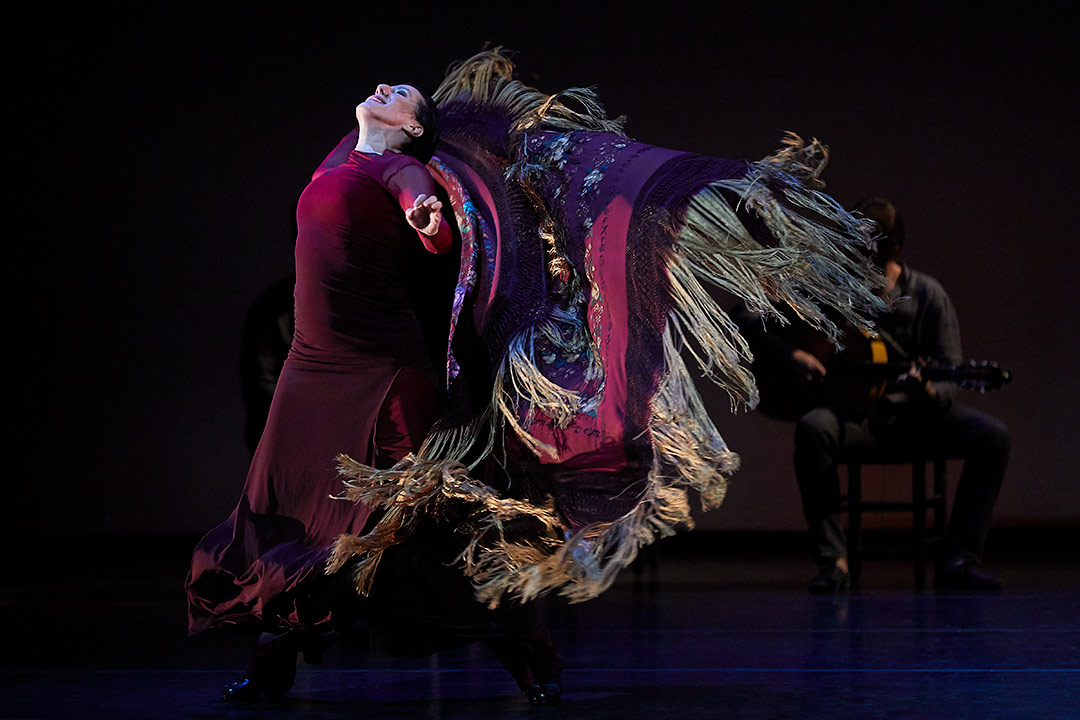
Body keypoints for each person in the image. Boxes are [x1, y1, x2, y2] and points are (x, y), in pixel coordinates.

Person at [186, 81, 562, 705]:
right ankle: (274, 660)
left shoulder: (403, 168)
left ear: (414, 127)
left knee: (432, 520)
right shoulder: (341, 158)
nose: (383, 86)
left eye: (402, 93)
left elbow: (429, 222)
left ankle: (530, 655)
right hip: (309, 371)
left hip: (382, 373)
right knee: (288, 514)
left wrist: (429, 221)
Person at [750, 196, 1010, 593]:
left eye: (871, 253)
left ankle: (959, 558)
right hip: (858, 420)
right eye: (854, 250)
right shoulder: (830, 291)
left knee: (993, 437)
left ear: (895, 250)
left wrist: (924, 389)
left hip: (916, 420)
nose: (862, 262)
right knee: (813, 428)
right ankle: (834, 562)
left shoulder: (928, 296)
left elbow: (947, 385)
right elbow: (748, 316)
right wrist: (795, 354)